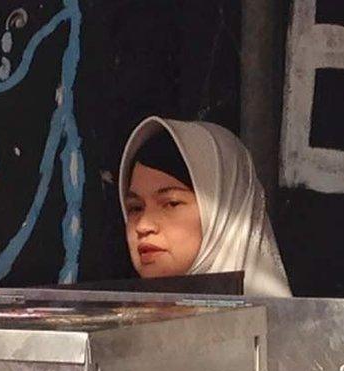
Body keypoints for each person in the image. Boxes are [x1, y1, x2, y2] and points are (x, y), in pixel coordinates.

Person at [119, 115, 291, 297]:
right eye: (135, 208)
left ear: (223, 214)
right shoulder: (118, 320)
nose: (143, 226)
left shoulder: (272, 324)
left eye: (171, 203)